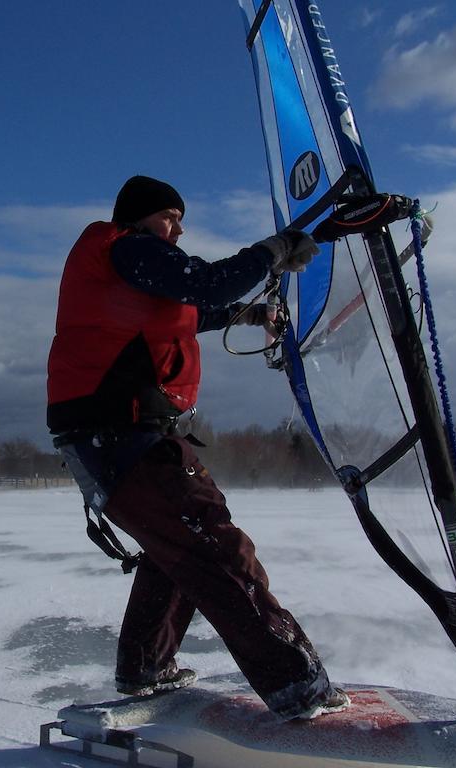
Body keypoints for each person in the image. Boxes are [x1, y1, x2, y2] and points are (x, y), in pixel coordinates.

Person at [46, 175, 349, 721]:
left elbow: (196, 311)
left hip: (116, 437)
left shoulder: (133, 270)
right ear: (137, 218)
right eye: (169, 216)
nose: (178, 228)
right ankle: (298, 686)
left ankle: (145, 667)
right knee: (216, 547)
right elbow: (208, 285)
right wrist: (272, 252)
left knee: (174, 547)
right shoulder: (124, 247)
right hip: (122, 436)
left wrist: (250, 314)